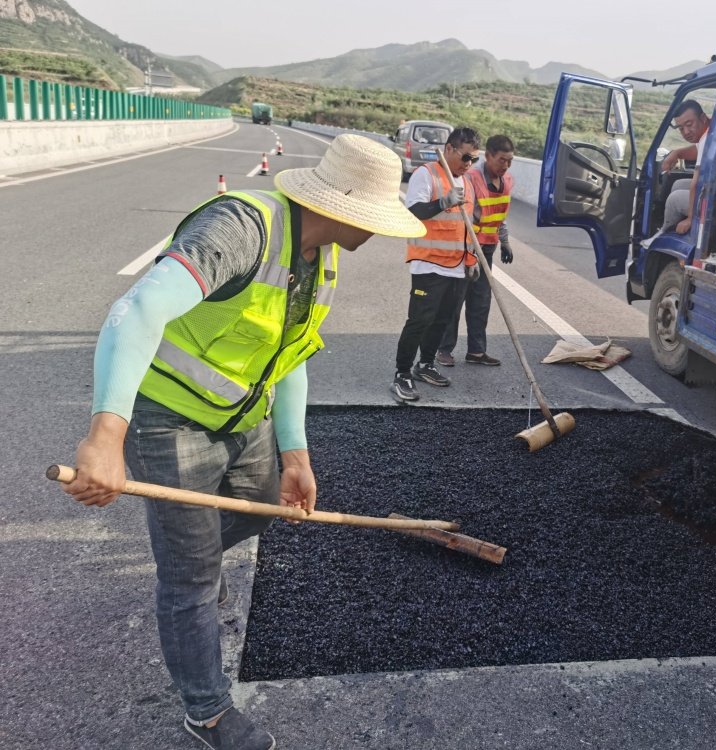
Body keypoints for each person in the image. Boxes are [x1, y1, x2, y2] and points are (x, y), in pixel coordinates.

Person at [59, 134, 425, 750]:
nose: (383, 233)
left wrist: (295, 454)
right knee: (193, 579)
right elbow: (137, 308)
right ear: (339, 206)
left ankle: (190, 559)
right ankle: (206, 710)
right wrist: (105, 434)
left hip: (241, 418)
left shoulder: (321, 257)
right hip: (166, 417)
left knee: (263, 505)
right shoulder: (240, 229)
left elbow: (290, 356)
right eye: (376, 217)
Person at [390, 127, 481, 402]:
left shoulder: (467, 181)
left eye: (473, 160)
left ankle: (426, 365)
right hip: (428, 264)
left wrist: (472, 260)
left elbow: (466, 227)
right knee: (420, 320)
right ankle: (402, 373)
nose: (468, 164)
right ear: (450, 149)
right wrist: (442, 202)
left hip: (456, 266)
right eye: (465, 157)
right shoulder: (426, 174)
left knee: (443, 320)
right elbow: (414, 212)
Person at [436, 134, 515, 368]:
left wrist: (505, 241)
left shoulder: (507, 180)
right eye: (502, 160)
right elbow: (464, 218)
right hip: (467, 248)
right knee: (455, 301)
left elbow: (501, 215)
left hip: (487, 249)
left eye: (510, 161)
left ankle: (477, 352)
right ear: (488, 156)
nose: (506, 165)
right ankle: (444, 349)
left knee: (481, 302)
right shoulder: (470, 179)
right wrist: (469, 254)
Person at [649, 100, 710, 240]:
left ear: (703, 118)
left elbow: (696, 182)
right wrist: (676, 153)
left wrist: (691, 218)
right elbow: (697, 150)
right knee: (679, 184)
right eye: (681, 128)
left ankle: (663, 234)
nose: (686, 132)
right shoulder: (711, 131)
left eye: (689, 125)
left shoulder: (707, 139)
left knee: (674, 199)